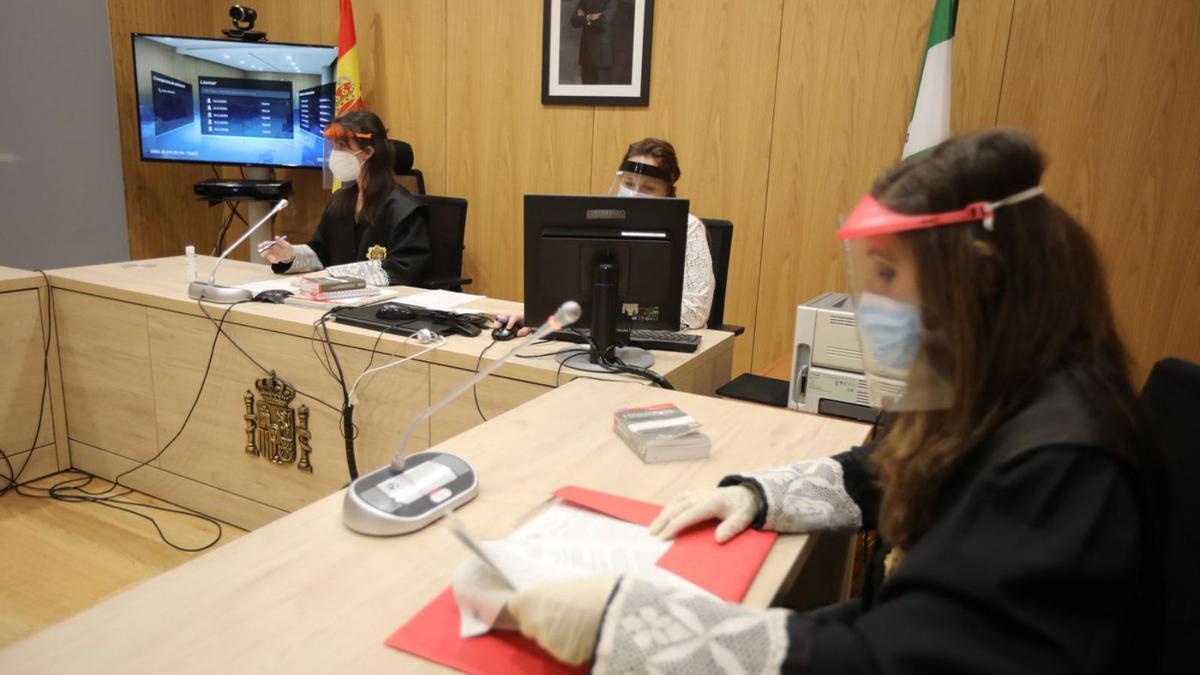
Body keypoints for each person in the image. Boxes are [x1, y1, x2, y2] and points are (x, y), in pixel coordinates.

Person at [491, 129, 1165, 672]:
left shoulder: (1063, 468)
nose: (870, 303)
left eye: (889, 273)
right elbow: (892, 466)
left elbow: (895, 659)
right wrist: (757, 493)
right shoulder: (992, 383)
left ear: (982, 280)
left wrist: (631, 625)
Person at [495, 137, 716, 334]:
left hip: (666, 343)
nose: (634, 192)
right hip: (594, 336)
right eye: (628, 183)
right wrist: (539, 317)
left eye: (648, 188)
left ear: (667, 192)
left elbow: (695, 313)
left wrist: (607, 317)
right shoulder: (600, 221)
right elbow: (572, 292)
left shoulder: (689, 227)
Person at [260, 110, 430, 286]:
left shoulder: (403, 208)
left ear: (368, 152)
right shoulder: (339, 200)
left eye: (342, 146)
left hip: (385, 304)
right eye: (334, 146)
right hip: (337, 298)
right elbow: (322, 252)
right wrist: (290, 255)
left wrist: (332, 275)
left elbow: (403, 269)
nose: (335, 154)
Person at [570, 0, 619, 84]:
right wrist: (590, 17)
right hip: (586, 54)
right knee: (586, 92)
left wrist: (584, 17)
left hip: (602, 56)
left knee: (602, 92)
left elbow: (603, 21)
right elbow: (574, 21)